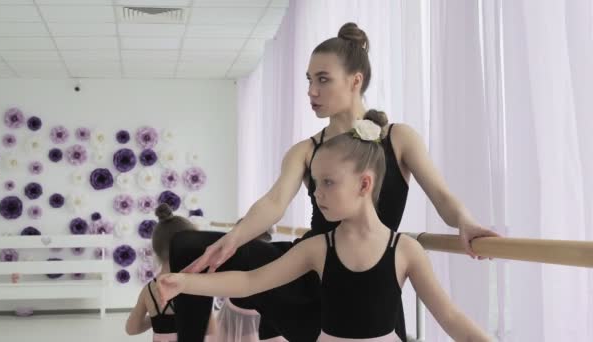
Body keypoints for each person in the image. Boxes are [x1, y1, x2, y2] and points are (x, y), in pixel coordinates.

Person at [169, 22, 499, 341]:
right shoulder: (306, 150)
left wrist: (465, 223)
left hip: (374, 273)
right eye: (309, 80)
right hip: (315, 270)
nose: (312, 91)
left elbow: (440, 194)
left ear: (355, 81)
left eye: (323, 79)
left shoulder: (399, 138)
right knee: (187, 246)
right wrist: (233, 239)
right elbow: (274, 203)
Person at [160, 118, 492, 341]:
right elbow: (250, 281)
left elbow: (449, 316)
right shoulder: (318, 248)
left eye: (328, 183)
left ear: (364, 184)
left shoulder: (406, 251)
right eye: (315, 183)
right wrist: (187, 282)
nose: (317, 193)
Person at [125, 204, 217, 342]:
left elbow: (131, 329)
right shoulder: (197, 287)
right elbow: (211, 330)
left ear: (156, 251)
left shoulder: (149, 290)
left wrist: (155, 318)